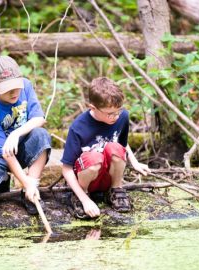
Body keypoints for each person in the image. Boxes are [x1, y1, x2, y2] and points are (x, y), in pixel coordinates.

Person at [0, 55, 51, 215]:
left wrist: (15, 133)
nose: (14, 92)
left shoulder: (26, 86)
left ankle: (30, 191)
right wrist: (23, 181)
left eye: (16, 86)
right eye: (7, 89)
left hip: (18, 145)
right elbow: (6, 153)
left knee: (41, 135)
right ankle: (1, 182)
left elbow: (39, 118)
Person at [61, 77, 150, 219]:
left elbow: (122, 144)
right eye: (110, 114)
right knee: (94, 157)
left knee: (115, 148)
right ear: (93, 108)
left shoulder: (122, 117)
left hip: (108, 176)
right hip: (87, 178)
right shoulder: (78, 127)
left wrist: (135, 162)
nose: (115, 117)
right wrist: (85, 200)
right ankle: (81, 196)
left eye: (118, 111)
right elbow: (66, 169)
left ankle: (115, 190)